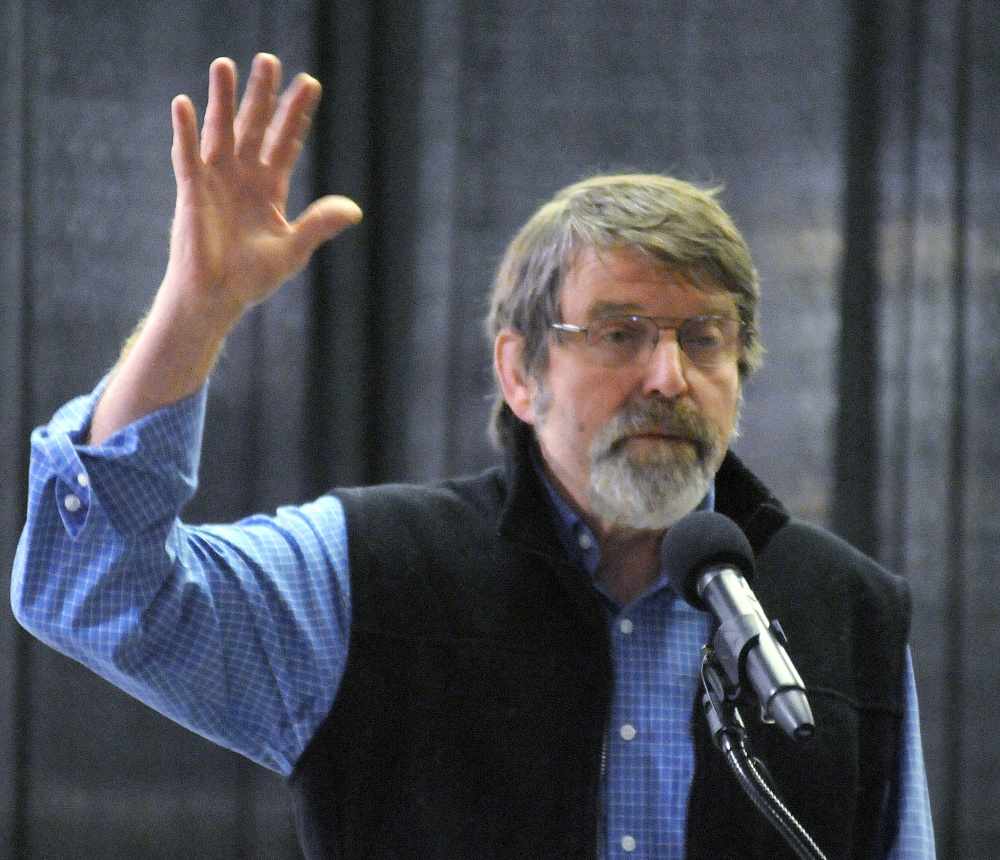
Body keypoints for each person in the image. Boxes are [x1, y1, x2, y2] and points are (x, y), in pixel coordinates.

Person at [11, 53, 934, 860]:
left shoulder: (842, 614)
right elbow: (94, 586)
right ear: (520, 373)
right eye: (619, 333)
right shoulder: (368, 577)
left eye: (704, 338)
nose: (668, 376)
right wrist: (195, 310)